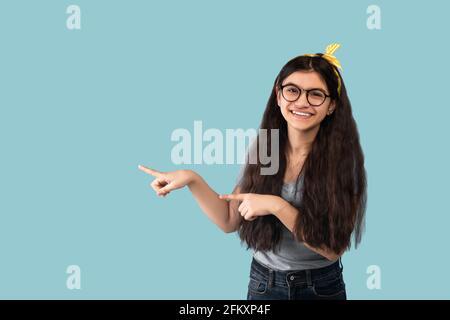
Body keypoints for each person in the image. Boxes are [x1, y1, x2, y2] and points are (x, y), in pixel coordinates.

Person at [138, 43, 367, 300]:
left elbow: (332, 248)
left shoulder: (343, 162)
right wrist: (192, 179)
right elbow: (229, 220)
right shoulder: (266, 150)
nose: (302, 102)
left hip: (321, 288)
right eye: (292, 91)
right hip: (264, 285)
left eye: (315, 94)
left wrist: (276, 205)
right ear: (278, 96)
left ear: (331, 105)